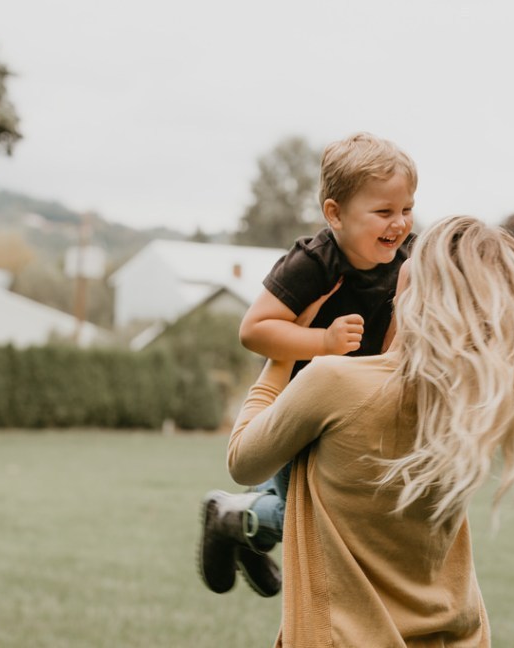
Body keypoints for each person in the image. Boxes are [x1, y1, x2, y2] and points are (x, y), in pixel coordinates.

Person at [226, 216, 514, 646]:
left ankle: (239, 519)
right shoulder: (469, 405)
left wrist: (288, 349)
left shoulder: (334, 382)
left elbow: (243, 462)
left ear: (422, 290)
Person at [198, 132, 418, 598]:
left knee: (328, 510)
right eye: (384, 212)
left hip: (355, 408)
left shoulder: (408, 260)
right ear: (334, 214)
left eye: (406, 209)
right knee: (309, 514)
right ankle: (232, 518)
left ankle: (246, 528)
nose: (399, 224)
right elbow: (254, 330)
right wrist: (322, 340)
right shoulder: (315, 262)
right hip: (302, 405)